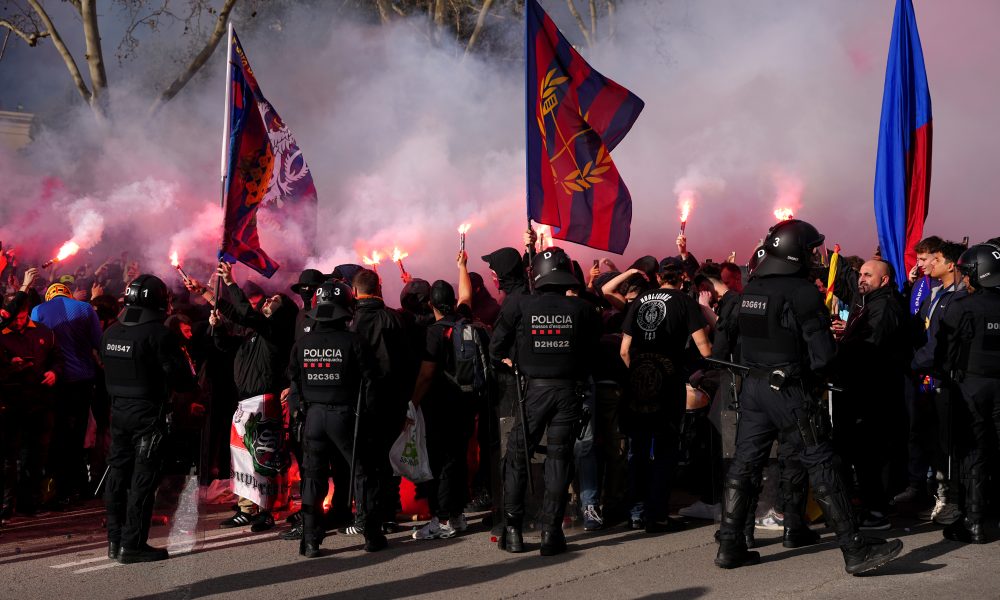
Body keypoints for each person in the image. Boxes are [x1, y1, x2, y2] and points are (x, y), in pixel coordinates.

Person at [713, 219, 903, 575]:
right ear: (794, 251)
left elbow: (728, 341)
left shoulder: (752, 287)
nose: (814, 254)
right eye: (810, 248)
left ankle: (730, 543)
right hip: (789, 389)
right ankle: (854, 549)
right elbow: (823, 356)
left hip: (753, 387)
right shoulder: (801, 292)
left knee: (745, 464)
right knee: (822, 462)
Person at [491, 247, 601, 556]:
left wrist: (514, 362)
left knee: (516, 456)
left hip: (534, 392)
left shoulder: (520, 305)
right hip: (568, 393)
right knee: (559, 459)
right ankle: (551, 534)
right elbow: (593, 350)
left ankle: (513, 531)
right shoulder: (582, 309)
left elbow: (496, 347)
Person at [186, 262, 299, 532]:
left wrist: (231, 282)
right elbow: (230, 336)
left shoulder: (275, 334)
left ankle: (266, 510)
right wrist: (211, 307)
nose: (269, 300)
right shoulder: (253, 334)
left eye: (276, 301)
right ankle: (246, 507)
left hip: (265, 403)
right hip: (245, 403)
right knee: (242, 458)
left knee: (263, 458)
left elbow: (246, 314)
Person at [286, 281, 385, 556]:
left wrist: (299, 413)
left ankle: (310, 540)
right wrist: (371, 417)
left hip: (313, 418)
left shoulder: (302, 344)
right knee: (363, 473)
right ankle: (372, 536)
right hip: (346, 417)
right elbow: (371, 383)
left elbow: (293, 381)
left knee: (313, 478)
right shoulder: (354, 342)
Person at [102, 275, 196, 563]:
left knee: (117, 475)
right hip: (148, 416)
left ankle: (114, 542)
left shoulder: (111, 332)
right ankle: (133, 545)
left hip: (118, 413)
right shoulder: (158, 334)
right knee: (143, 480)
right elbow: (182, 381)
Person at [619, 257, 712, 533]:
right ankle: (656, 515)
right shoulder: (685, 302)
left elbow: (624, 350)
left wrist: (638, 371)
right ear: (682, 278)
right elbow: (705, 348)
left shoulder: (640, 301)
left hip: (638, 381)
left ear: (659, 278)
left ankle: (634, 513)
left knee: (637, 448)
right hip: (668, 382)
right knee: (664, 448)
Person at [935, 242, 1000, 544]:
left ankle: (973, 521)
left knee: (973, 452)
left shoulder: (963, 307)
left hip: (970, 387)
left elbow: (942, 352)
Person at [408, 267, 477, 541]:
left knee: (442, 462)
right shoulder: (464, 320)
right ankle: (458, 515)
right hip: (466, 402)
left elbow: (426, 375)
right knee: (459, 458)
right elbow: (467, 295)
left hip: (441, 406)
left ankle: (444, 519)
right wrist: (462, 266)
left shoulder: (434, 333)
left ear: (431, 304)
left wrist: (412, 402)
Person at [30, 277, 103, 504]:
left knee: (56, 433)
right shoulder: (84, 308)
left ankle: (56, 488)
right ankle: (78, 487)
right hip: (83, 380)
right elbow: (98, 342)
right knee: (78, 434)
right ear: (68, 294)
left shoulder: (38, 309)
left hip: (54, 382)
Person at [349, 268, 410, 537]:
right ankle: (388, 513)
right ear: (379, 288)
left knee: (365, 461)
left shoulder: (351, 320)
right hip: (393, 397)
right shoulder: (394, 318)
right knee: (388, 457)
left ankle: (366, 515)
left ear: (355, 292)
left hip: (363, 400)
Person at [0, 270, 62, 518]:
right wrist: (10, 366)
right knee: (8, 457)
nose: (18, 322)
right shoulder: (2, 335)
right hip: (10, 403)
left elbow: (58, 359)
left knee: (36, 455)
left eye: (22, 316)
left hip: (40, 402)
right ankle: (7, 504)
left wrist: (54, 373)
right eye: (14, 318)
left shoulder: (43, 332)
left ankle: (31, 501)